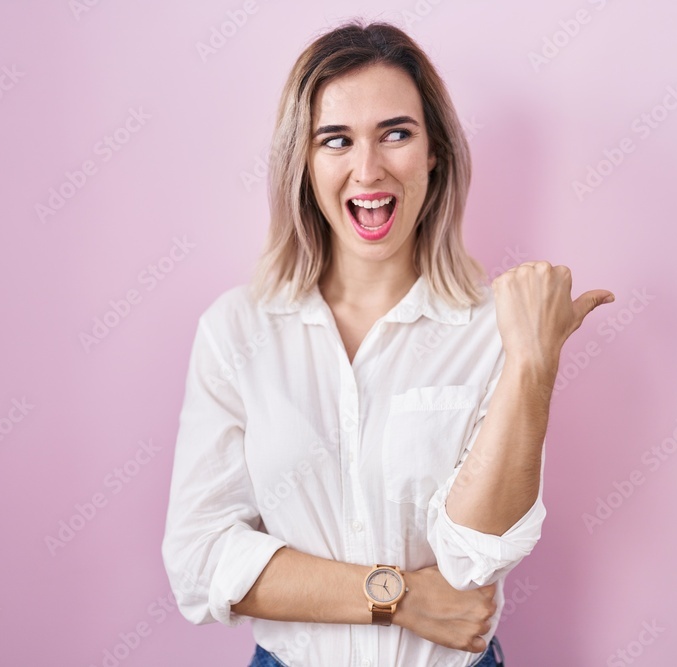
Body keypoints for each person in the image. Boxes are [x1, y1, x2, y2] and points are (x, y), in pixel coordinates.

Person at [161, 19, 613, 667]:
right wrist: (395, 596)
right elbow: (198, 559)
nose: (367, 170)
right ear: (305, 160)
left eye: (395, 134)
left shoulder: (495, 330)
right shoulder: (236, 329)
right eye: (335, 140)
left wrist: (533, 365)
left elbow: (473, 558)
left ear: (434, 151)